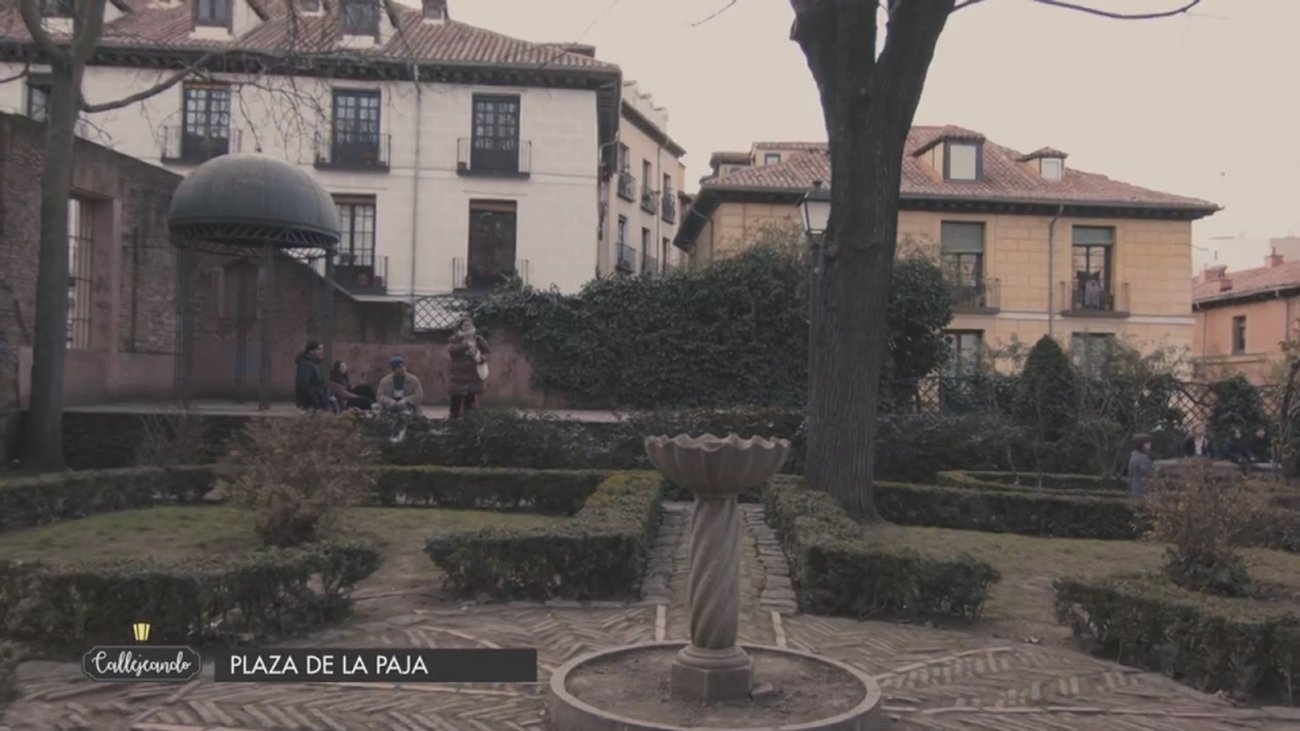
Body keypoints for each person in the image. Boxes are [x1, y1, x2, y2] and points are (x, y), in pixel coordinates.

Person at [447, 317, 491, 419]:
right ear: (461, 327)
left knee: (470, 400)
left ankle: (469, 422)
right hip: (458, 375)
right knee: (455, 399)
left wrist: (481, 358)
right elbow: (451, 351)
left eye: (469, 325)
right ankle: (452, 421)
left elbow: (488, 353)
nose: (467, 327)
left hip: (473, 375)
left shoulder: (478, 339)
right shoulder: (455, 339)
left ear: (473, 326)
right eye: (464, 325)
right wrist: (465, 345)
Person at [294, 340, 328, 411]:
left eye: (322, 349)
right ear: (311, 351)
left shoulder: (316, 364)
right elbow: (303, 383)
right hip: (310, 403)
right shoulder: (306, 364)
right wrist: (315, 399)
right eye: (318, 349)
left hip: (317, 401)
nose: (321, 351)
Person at [1128, 435, 1153, 499]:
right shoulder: (1142, 458)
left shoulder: (1133, 455)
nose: (1149, 445)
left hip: (1134, 489)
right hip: (1142, 491)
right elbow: (1150, 474)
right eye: (1147, 443)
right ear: (1142, 444)